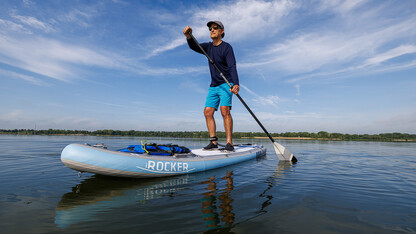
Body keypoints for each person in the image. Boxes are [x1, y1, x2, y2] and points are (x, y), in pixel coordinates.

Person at [183, 21, 240, 151]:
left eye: (215, 28)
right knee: (207, 112)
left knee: (224, 110)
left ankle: (229, 143)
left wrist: (236, 83)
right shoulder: (208, 47)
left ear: (222, 31)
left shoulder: (227, 48)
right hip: (213, 85)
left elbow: (232, 66)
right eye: (210, 28)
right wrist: (188, 36)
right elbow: (194, 46)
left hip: (226, 84)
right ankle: (213, 142)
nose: (212, 30)